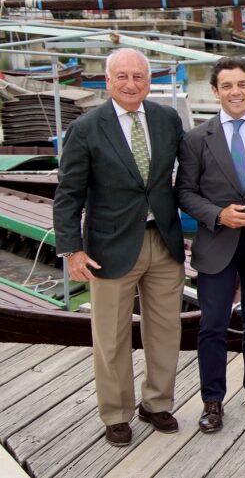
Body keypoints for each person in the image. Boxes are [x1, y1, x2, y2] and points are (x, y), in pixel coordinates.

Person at [53, 48, 186, 446]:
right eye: (122, 76)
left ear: (149, 81)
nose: (131, 84)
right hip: (109, 247)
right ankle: (116, 413)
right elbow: (68, 194)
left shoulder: (167, 119)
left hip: (163, 240)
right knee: (111, 337)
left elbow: (189, 173)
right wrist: (72, 249)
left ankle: (156, 403)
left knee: (166, 331)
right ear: (108, 81)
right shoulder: (87, 128)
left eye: (139, 76)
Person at [176, 57, 245, 433]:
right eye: (226, 86)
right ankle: (212, 400)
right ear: (215, 91)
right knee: (212, 324)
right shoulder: (196, 139)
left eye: (242, 84)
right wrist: (217, 214)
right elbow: (184, 193)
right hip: (216, 244)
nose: (235, 92)